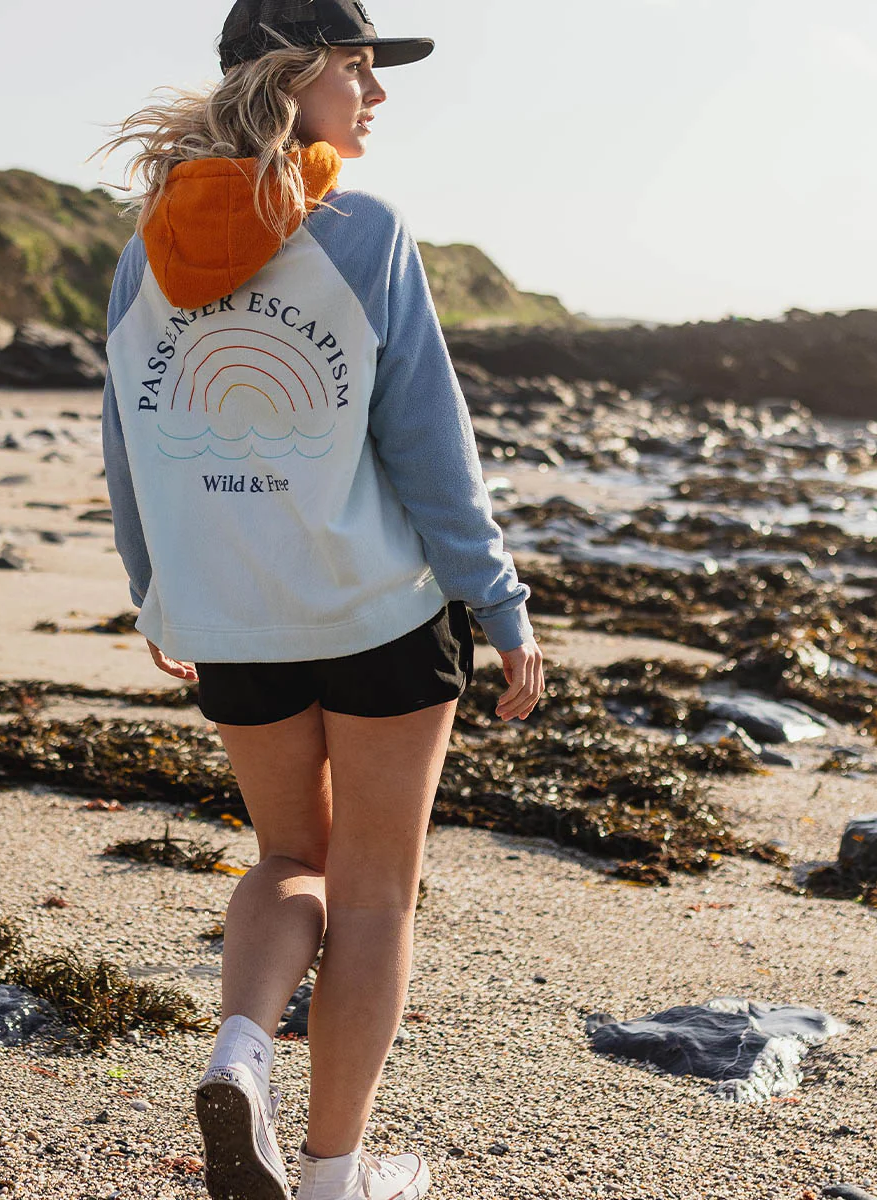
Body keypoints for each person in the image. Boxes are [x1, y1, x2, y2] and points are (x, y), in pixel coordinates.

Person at [96, 2, 544, 1196]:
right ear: (294, 77)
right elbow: (429, 447)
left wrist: (159, 597)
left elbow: (130, 444)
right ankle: (338, 1177)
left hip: (230, 622)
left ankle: (242, 1052)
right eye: (359, 69)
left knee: (288, 856)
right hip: (378, 615)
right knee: (376, 894)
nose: (377, 96)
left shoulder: (146, 249)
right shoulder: (362, 229)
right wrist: (498, 604)